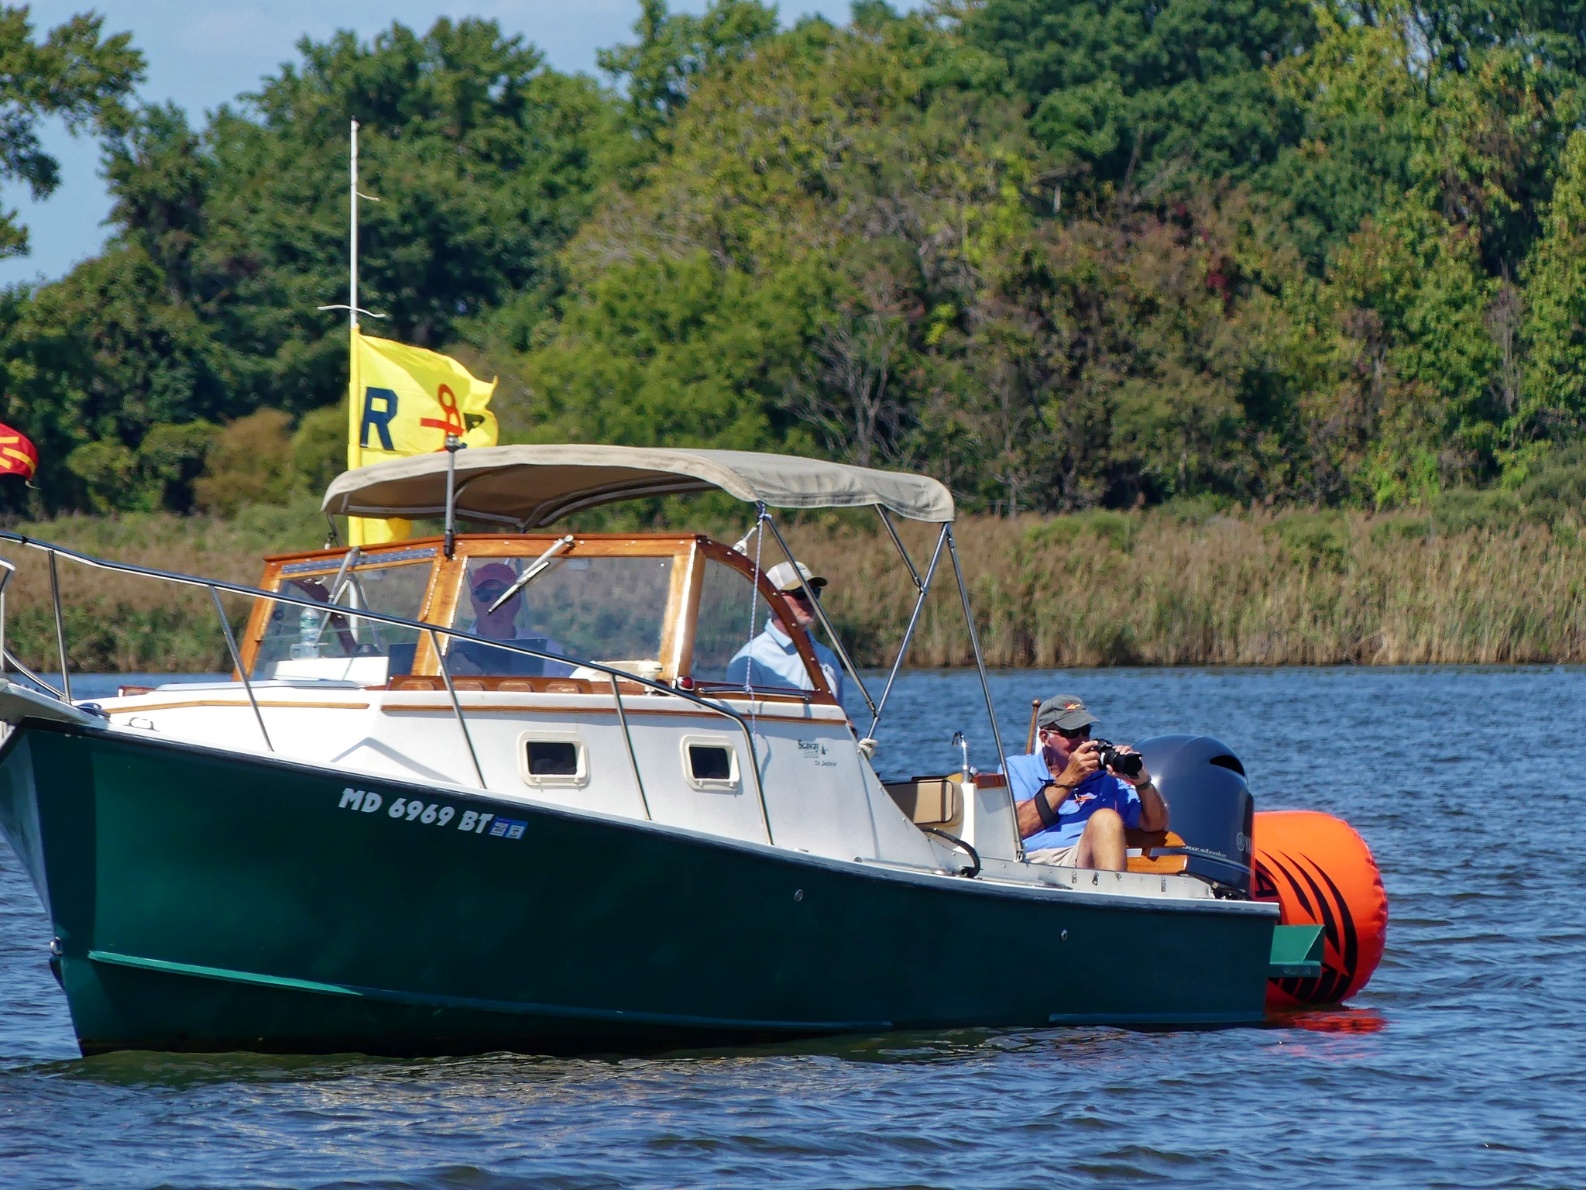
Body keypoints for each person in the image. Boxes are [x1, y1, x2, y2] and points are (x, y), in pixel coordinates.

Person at [1005, 693, 1170, 870]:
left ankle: (1112, 894)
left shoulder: (1106, 777)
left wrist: (1141, 780)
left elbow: (1155, 824)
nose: (1081, 740)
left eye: (1086, 731)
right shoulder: (1017, 767)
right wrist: (1070, 778)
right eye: (1071, 733)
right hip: (1033, 862)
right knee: (1105, 818)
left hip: (1085, 860)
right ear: (1045, 738)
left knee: (1105, 819)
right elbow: (1020, 827)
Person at [726, 560, 844, 701]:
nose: (809, 600)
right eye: (800, 592)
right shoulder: (749, 661)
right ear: (772, 600)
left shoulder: (827, 658)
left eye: (814, 592)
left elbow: (841, 718)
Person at [451, 562, 571, 677]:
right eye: (484, 595)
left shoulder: (548, 651)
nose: (494, 603)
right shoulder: (451, 650)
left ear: (517, 603)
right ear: (474, 602)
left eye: (504, 595)